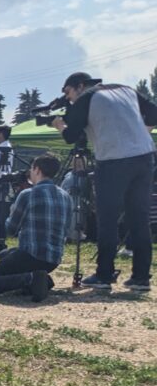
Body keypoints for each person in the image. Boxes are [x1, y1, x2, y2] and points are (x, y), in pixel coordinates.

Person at [53, 71, 157, 292]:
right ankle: (141, 277)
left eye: (68, 92)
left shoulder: (86, 98)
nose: (69, 99)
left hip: (113, 160)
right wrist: (136, 133)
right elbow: (154, 114)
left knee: (107, 218)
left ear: (80, 86)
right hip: (145, 156)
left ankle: (104, 274)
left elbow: (72, 136)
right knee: (139, 218)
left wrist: (60, 125)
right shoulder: (125, 89)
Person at [0, 154, 71, 302]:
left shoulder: (28, 194)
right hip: (53, 259)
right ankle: (41, 279)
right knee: (5, 254)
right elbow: (68, 229)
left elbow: (11, 229)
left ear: (37, 169)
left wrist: (10, 211)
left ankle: (31, 279)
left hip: (30, 255)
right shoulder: (66, 196)